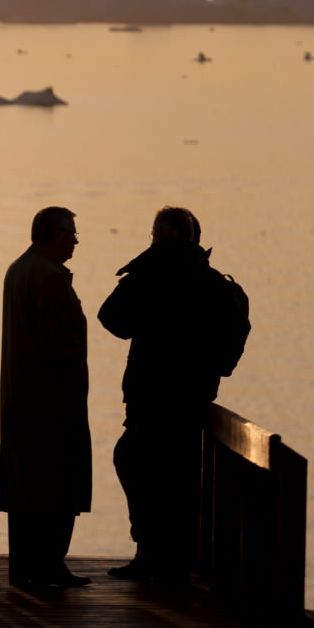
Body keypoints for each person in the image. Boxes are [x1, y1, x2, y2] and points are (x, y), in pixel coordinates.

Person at [98, 206, 249, 590]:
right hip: (191, 396)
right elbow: (236, 330)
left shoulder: (148, 276)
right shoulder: (214, 283)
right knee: (177, 477)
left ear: (157, 238)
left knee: (136, 464)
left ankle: (152, 553)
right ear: (195, 239)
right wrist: (217, 369)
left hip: (150, 395)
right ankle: (172, 561)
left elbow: (111, 318)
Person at [0, 206, 92, 591]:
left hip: (22, 395)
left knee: (26, 485)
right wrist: (73, 389)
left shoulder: (18, 269)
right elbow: (61, 346)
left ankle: (26, 566)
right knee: (57, 482)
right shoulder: (49, 278)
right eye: (71, 234)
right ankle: (50, 564)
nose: (75, 241)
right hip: (51, 399)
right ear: (52, 234)